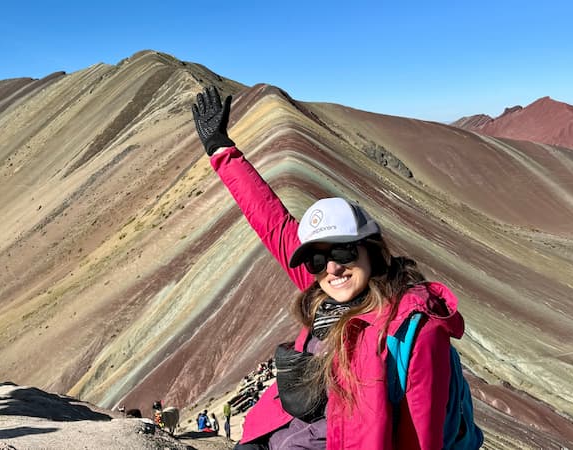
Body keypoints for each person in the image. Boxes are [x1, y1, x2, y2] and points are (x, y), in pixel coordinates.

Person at [192, 86, 471, 449]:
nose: (332, 269)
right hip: (295, 433)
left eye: (344, 252)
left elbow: (421, 437)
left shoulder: (415, 330)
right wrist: (221, 150)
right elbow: (272, 223)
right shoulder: (325, 287)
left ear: (372, 251)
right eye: (318, 259)